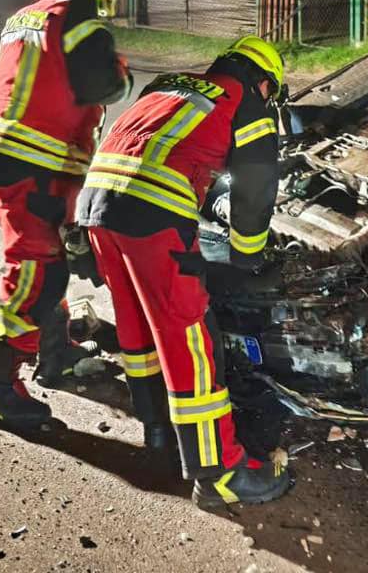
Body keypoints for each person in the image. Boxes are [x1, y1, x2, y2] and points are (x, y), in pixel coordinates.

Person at [77, 35, 290, 509]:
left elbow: (171, 151)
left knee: (138, 325)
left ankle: (159, 431)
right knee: (190, 341)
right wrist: (247, 259)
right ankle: (219, 475)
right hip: (150, 214)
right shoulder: (247, 101)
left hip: (97, 206)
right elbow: (255, 189)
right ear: (263, 81)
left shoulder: (173, 85)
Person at [0, 0, 133, 428]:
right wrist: (120, 68)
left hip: (4, 157)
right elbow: (104, 85)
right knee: (36, 275)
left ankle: (55, 353)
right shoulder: (79, 22)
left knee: (49, 266)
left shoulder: (24, 16)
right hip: (32, 167)